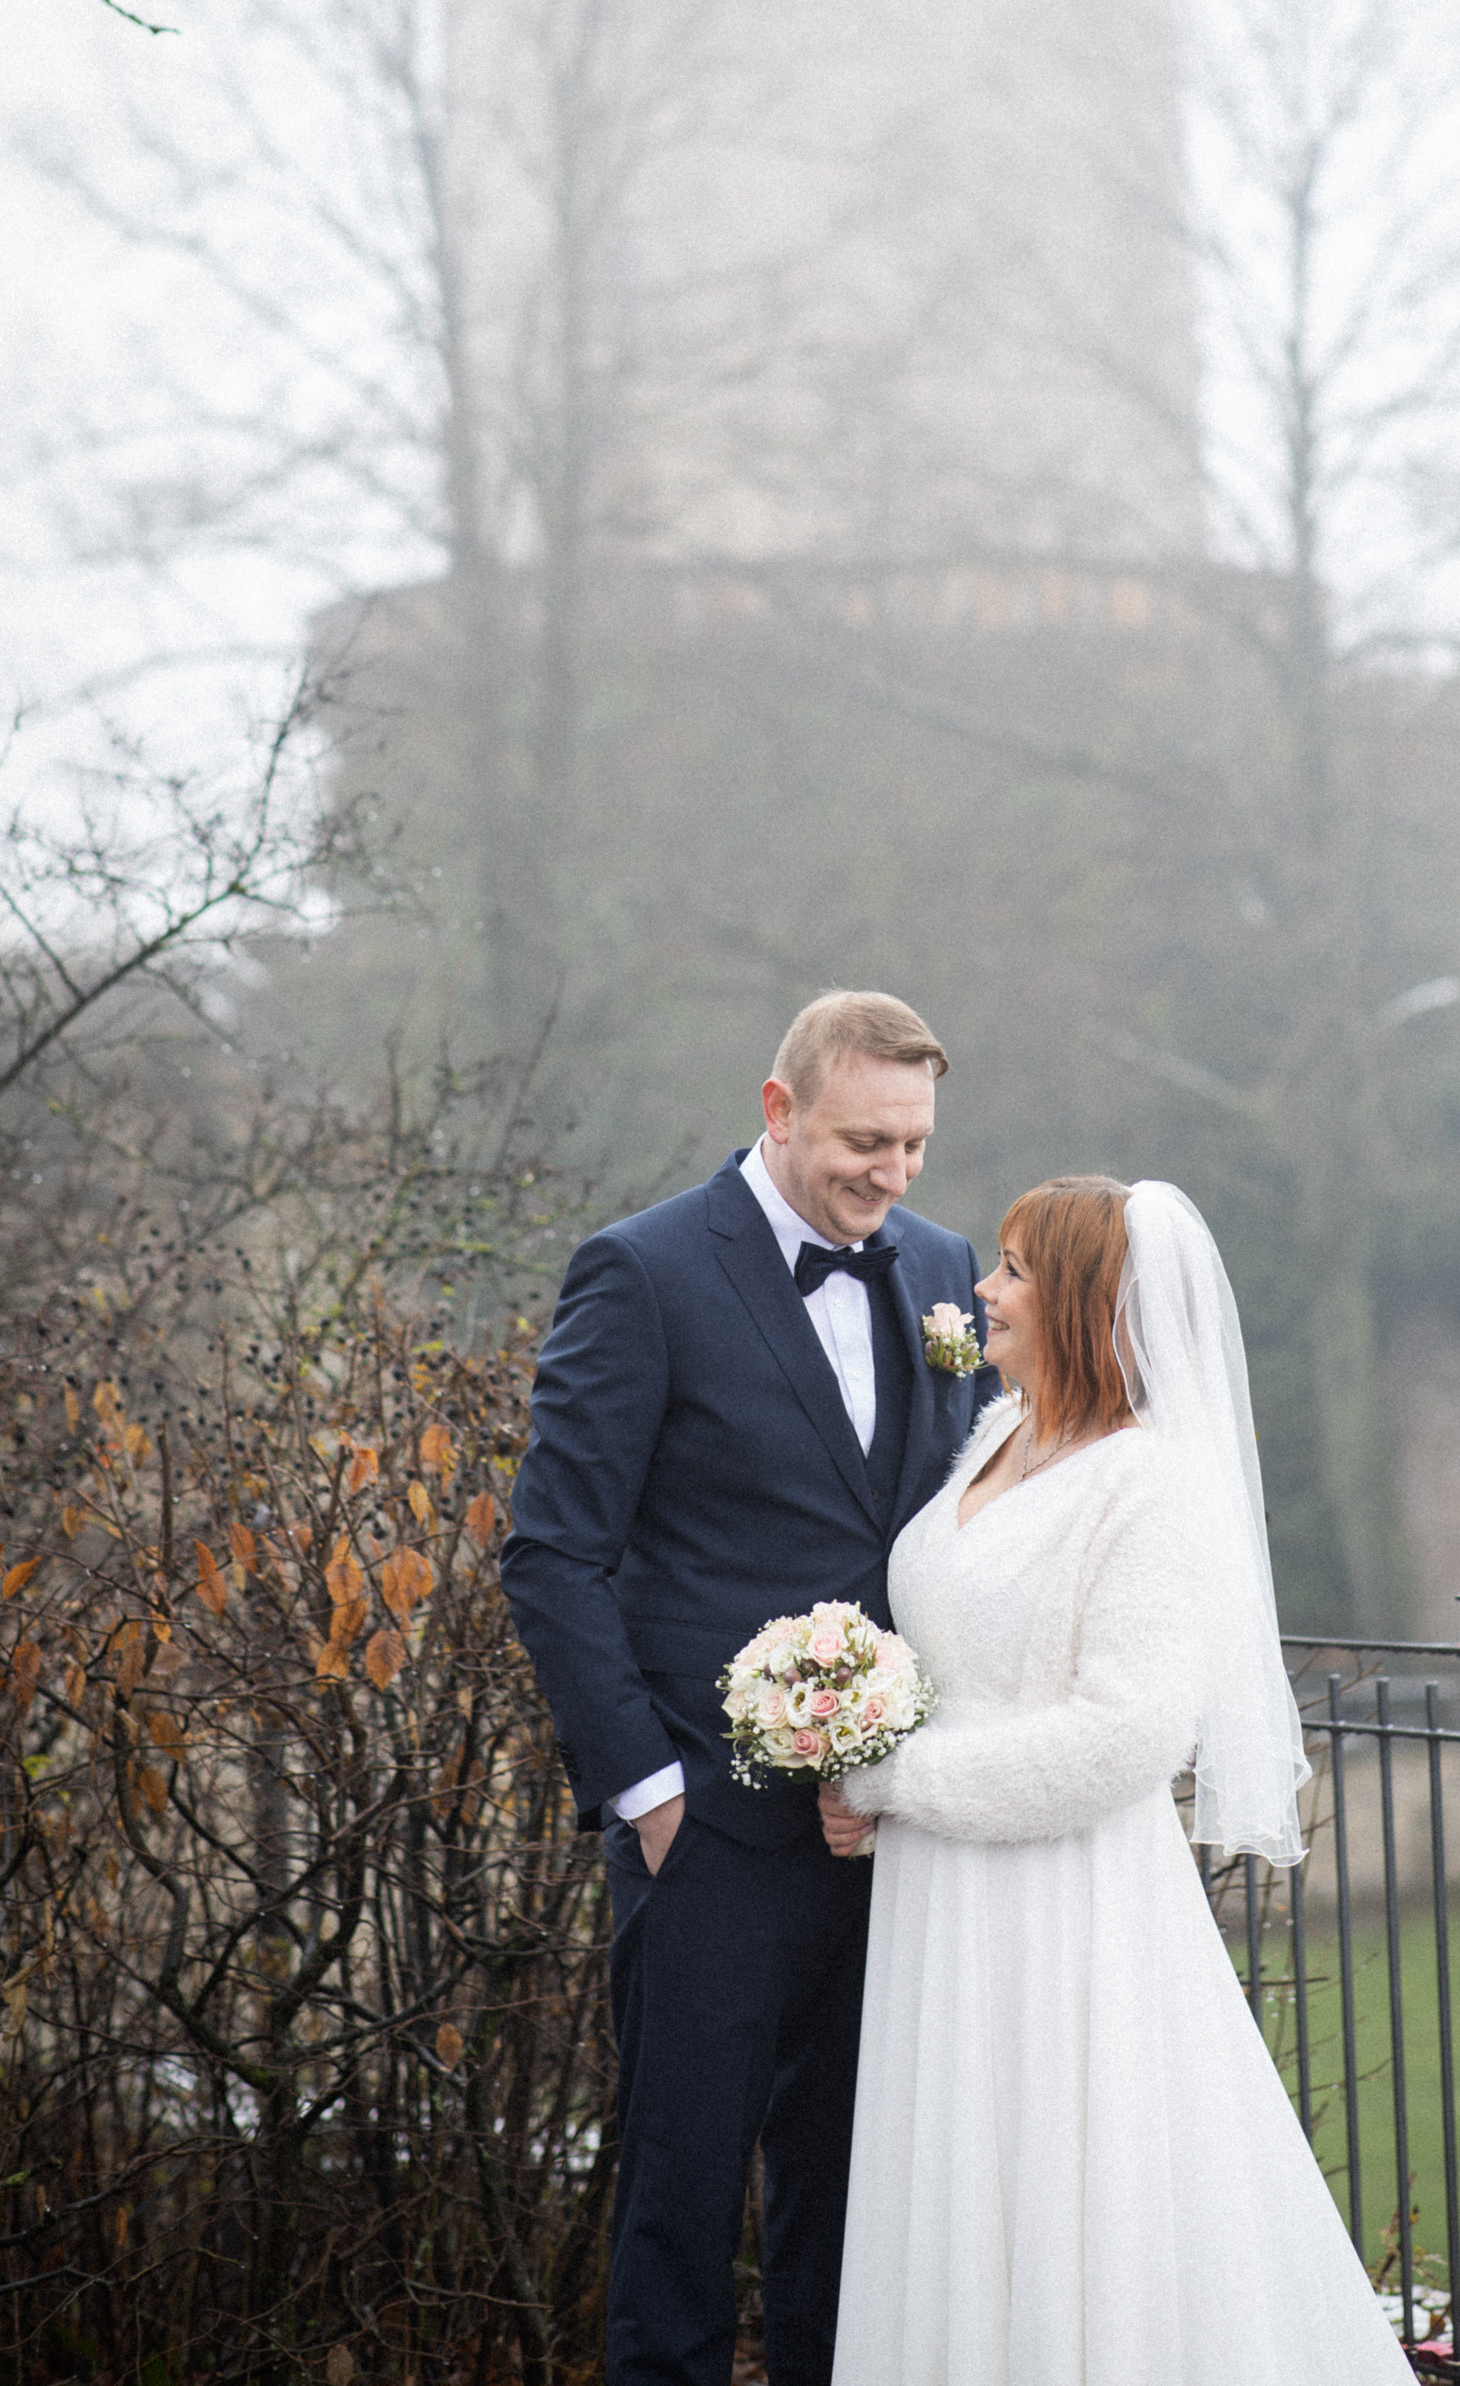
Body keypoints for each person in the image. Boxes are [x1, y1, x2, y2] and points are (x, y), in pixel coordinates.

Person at [818, 1175, 1415, 2385]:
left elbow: (1126, 1738)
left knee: (1070, 2208)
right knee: (957, 2208)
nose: (982, 1289)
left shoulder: (1152, 1485)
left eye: (1017, 1270)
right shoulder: (999, 1430)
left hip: (1064, 1911)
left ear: (1089, 1304)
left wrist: (893, 1777)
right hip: (940, 1904)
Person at [500, 992, 995, 2386]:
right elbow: (552, 1555)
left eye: (912, 1145)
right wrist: (649, 1795)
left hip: (893, 1841)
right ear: (778, 1111)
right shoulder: (644, 1272)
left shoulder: (945, 1269)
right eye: (861, 1142)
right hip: (706, 1837)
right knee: (680, 2206)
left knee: (857, 2211)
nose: (891, 1176)